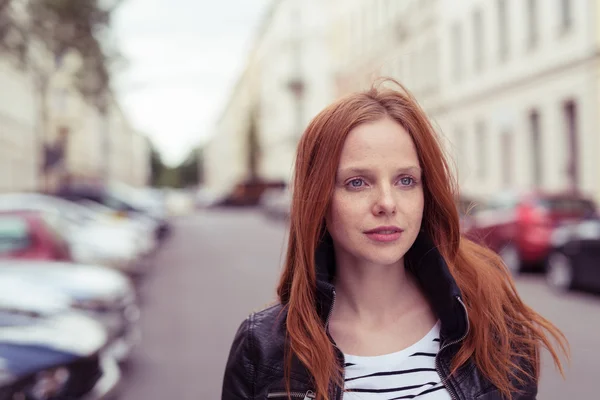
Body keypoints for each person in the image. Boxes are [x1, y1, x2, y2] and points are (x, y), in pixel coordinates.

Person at [221, 80, 568, 400]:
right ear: (318, 198)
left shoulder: (494, 327)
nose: (387, 203)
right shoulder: (264, 349)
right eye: (357, 182)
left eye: (405, 181)